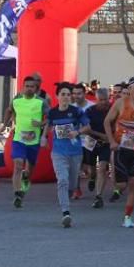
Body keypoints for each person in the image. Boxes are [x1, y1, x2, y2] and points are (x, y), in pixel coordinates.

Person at [105, 76, 134, 228]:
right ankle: (116, 181)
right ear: (129, 90)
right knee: (122, 184)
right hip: (121, 149)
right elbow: (107, 121)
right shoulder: (120, 103)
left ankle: (127, 216)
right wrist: (111, 141)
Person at [46, 82, 89, 228]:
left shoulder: (76, 112)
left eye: (68, 95)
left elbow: (87, 126)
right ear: (57, 96)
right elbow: (48, 125)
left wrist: (77, 132)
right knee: (62, 180)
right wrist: (44, 137)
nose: (65, 97)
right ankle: (66, 213)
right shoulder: (52, 113)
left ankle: (69, 194)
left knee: (71, 184)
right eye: (62, 94)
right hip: (58, 152)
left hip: (75, 152)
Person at [10, 76, 46, 209]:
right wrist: (7, 123)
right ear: (23, 87)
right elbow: (10, 111)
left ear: (36, 89)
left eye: (32, 86)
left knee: (30, 166)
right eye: (27, 86)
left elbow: (51, 117)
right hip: (19, 139)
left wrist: (41, 124)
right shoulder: (16, 101)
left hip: (33, 140)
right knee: (18, 164)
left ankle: (26, 178)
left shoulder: (41, 102)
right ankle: (17, 194)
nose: (29, 88)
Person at [83, 88, 112, 207]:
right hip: (91, 140)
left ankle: (98, 195)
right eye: (101, 100)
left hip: (106, 143)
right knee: (91, 168)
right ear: (96, 99)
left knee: (102, 167)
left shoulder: (112, 110)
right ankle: (92, 178)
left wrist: (110, 136)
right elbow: (87, 129)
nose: (104, 102)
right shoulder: (90, 111)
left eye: (106, 99)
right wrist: (101, 135)